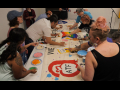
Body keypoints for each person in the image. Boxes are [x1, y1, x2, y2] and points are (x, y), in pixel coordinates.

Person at [77, 16, 120, 81]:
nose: (89, 38)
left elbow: (88, 79)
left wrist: (81, 69)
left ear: (97, 39)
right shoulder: (118, 45)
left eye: (90, 36)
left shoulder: (92, 55)